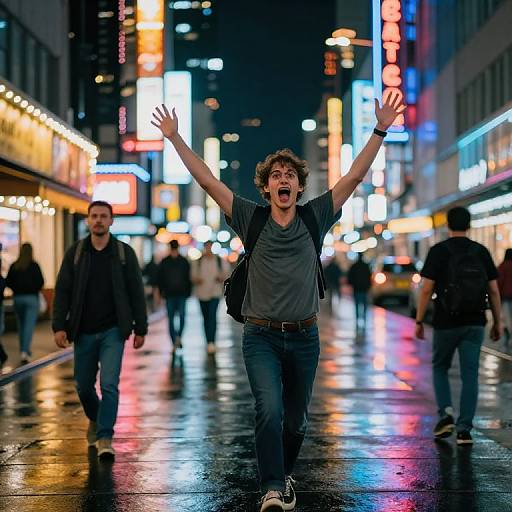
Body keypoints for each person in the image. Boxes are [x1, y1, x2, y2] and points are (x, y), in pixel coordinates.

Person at [151, 94, 404, 511]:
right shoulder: (250, 218)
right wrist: (175, 138)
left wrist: (380, 129)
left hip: (305, 336)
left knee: (296, 421)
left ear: (299, 186)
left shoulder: (315, 216)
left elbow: (355, 177)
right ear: (266, 186)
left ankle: (282, 474)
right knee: (268, 409)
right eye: (276, 175)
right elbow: (208, 182)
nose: (283, 180)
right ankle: (272, 486)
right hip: (261, 337)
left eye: (290, 175)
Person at [52, 201, 147, 459]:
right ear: (88, 220)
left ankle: (105, 437)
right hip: (82, 330)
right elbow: (62, 291)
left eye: (103, 216)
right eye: (94, 216)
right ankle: (95, 419)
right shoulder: (77, 252)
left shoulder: (124, 253)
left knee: (108, 385)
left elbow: (136, 293)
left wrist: (141, 328)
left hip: (113, 331)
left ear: (111, 220)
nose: (98, 220)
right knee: (83, 386)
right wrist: (59, 325)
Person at [415, 206, 502, 446]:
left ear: (447, 226)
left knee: (440, 367)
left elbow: (426, 289)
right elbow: (493, 291)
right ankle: (464, 430)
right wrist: (498, 322)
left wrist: (420, 320)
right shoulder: (481, 251)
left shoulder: (438, 251)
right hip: (475, 322)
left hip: (446, 322)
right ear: (469, 225)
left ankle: (446, 413)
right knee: (470, 374)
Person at [5, 243, 44, 364]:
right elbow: (41, 281)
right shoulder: (34, 266)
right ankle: (24, 351)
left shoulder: (14, 266)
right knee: (28, 326)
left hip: (17, 299)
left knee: (21, 325)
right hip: (31, 299)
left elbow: (8, 281)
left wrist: (17, 289)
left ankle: (24, 349)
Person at [191, 241, 230, 354]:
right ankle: (208, 341)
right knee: (205, 318)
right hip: (202, 294)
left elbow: (227, 274)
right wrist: (196, 279)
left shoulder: (218, 260)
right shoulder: (198, 261)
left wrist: (221, 277)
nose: (208, 249)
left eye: (210, 247)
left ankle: (212, 342)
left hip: (215, 293)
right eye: (206, 247)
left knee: (212, 317)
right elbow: (192, 276)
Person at [157, 239, 191, 353]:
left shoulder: (181, 261)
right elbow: (160, 279)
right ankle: (175, 340)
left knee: (179, 317)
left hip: (178, 294)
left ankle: (177, 338)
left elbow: (188, 278)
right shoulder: (175, 261)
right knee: (173, 318)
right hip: (171, 294)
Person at [347, 253, 372, 328]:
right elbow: (369, 277)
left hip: (357, 288)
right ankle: (364, 319)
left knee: (357, 304)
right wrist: (368, 286)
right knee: (364, 304)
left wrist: (352, 283)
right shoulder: (366, 266)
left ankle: (358, 319)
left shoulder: (354, 266)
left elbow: (350, 276)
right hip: (364, 288)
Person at [497, 248, 512, 346]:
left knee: (507, 318)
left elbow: (498, 283)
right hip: (507, 297)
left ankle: (509, 337)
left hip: (506, 297)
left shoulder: (502, 266)